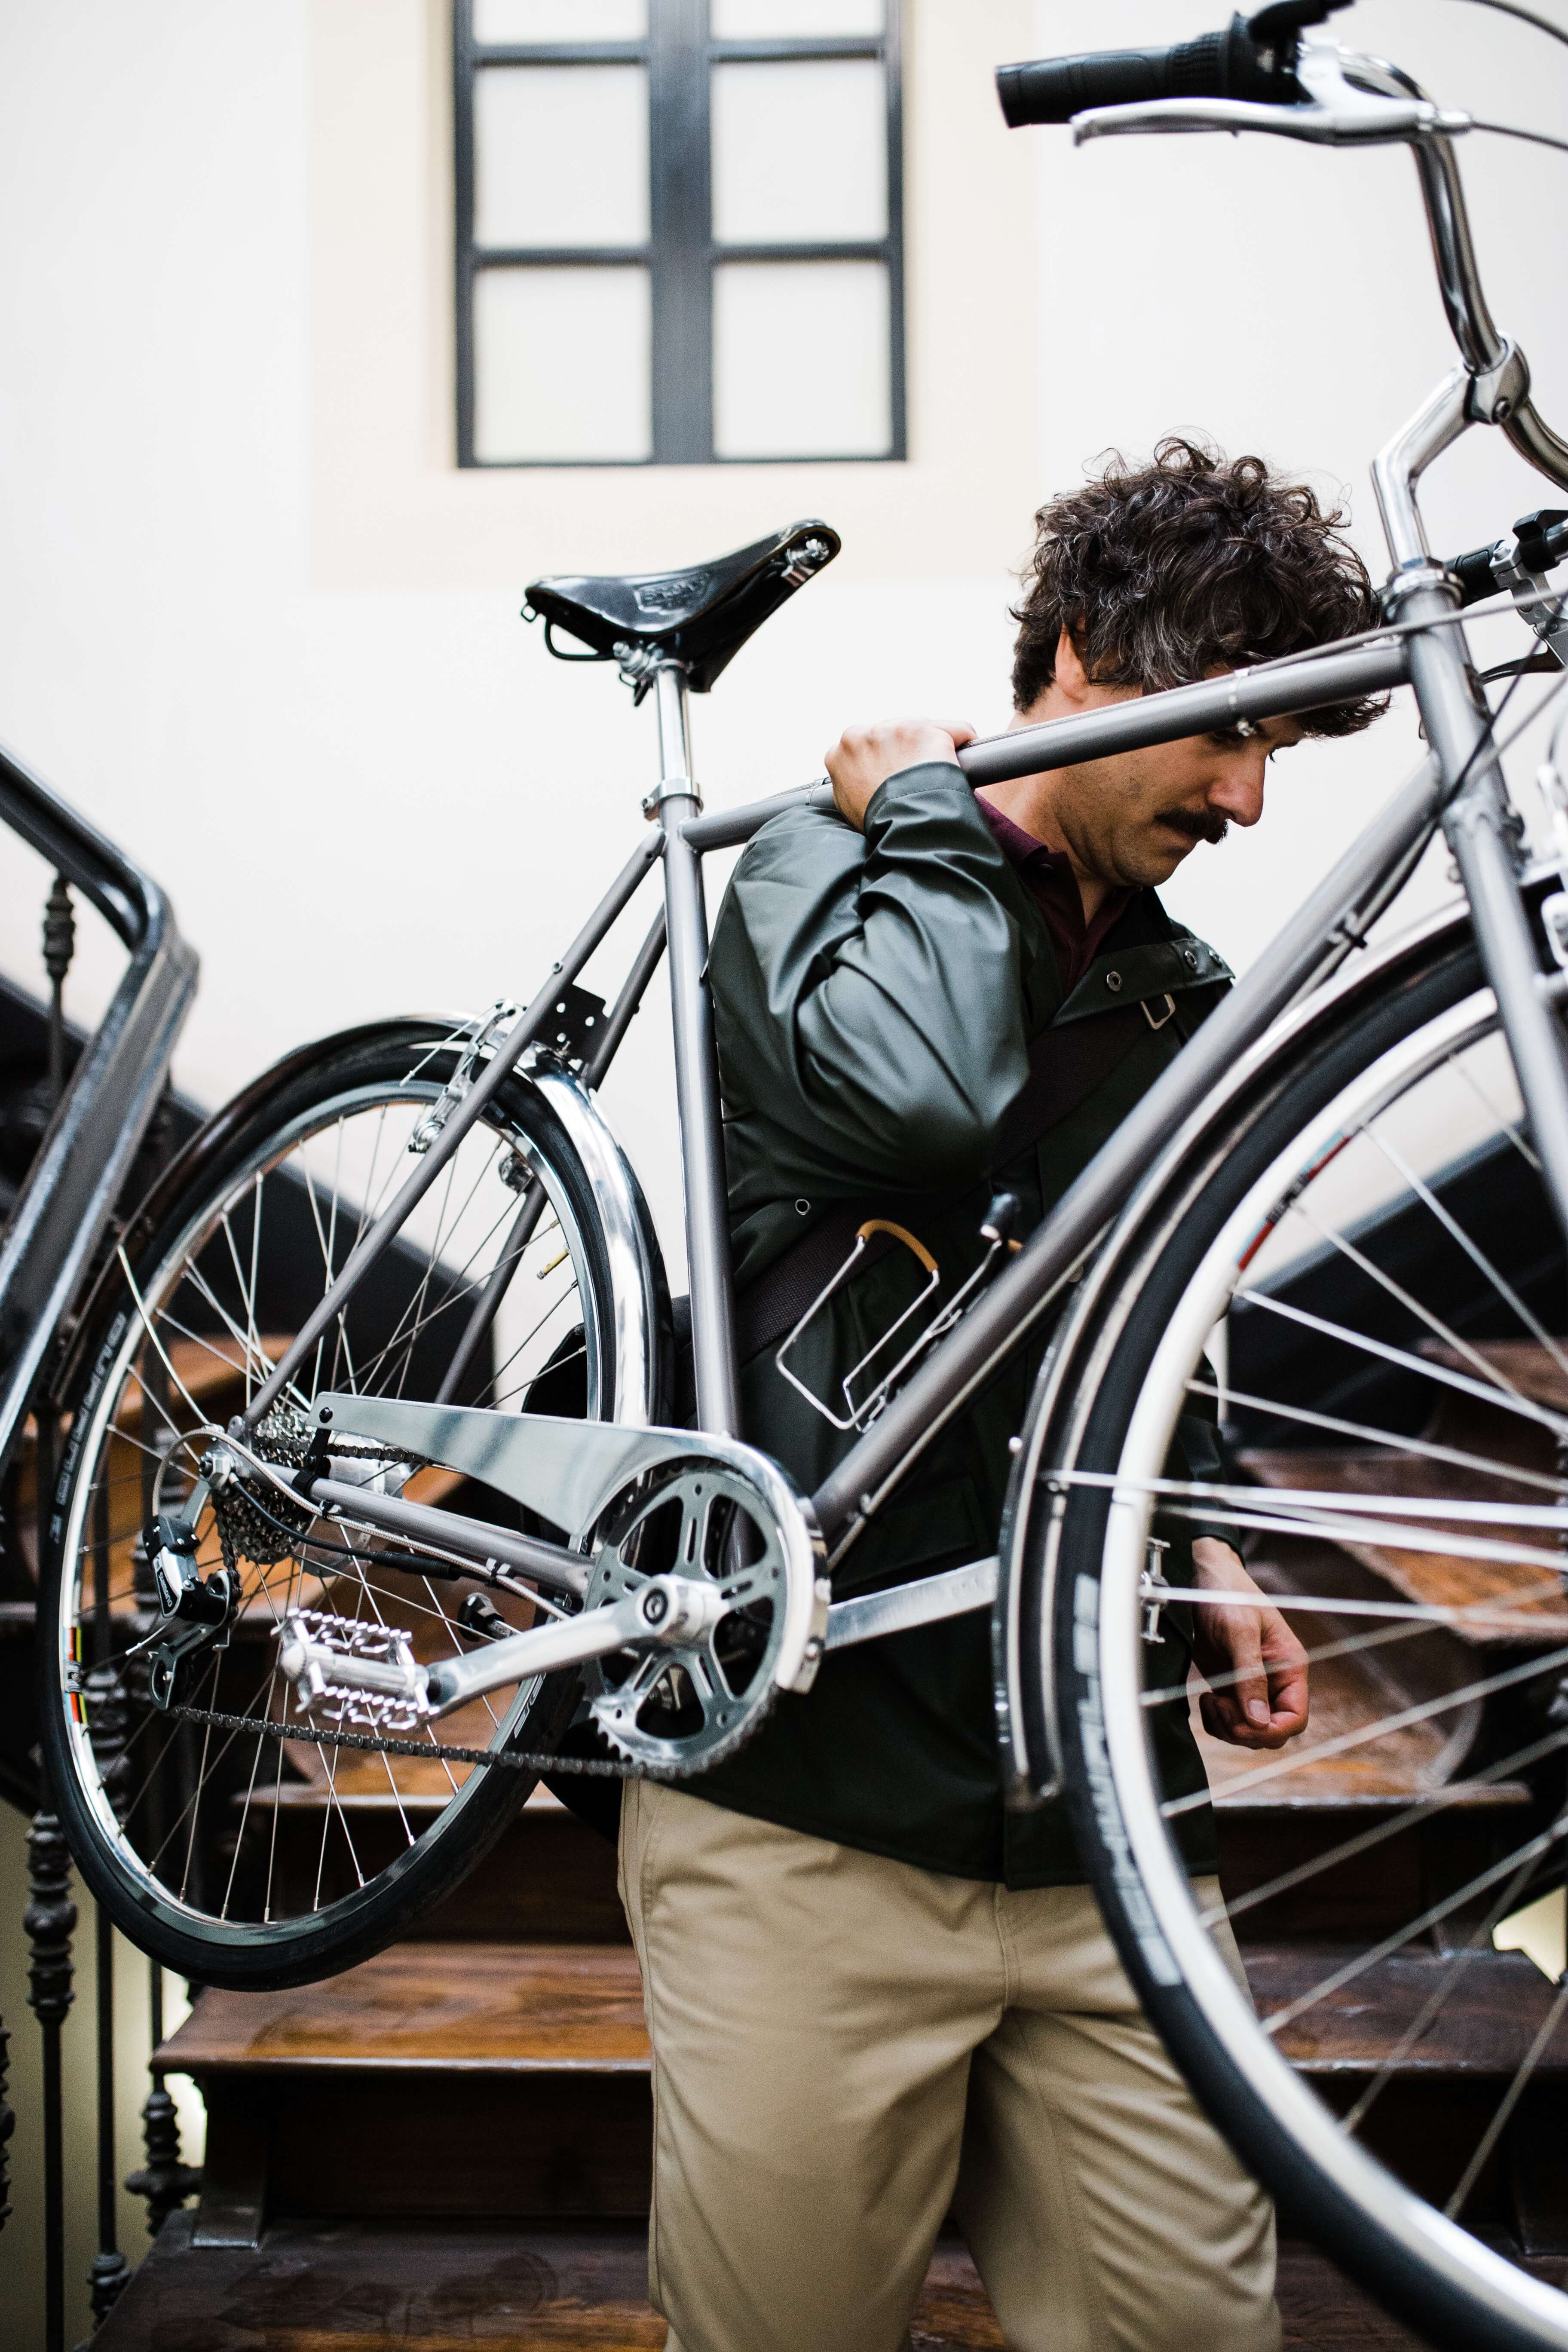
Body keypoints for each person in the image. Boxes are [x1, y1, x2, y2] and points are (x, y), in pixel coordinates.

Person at [618, 439, 1383, 2352]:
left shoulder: (1182, 992)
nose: (1253, 795)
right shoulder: (817, 860)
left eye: (1285, 746)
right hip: (809, 1826)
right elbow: (919, 1106)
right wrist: (952, 824)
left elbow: (1150, 1295)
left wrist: (1206, 1536)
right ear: (1079, 659)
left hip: (1106, 1831)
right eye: (1229, 732)